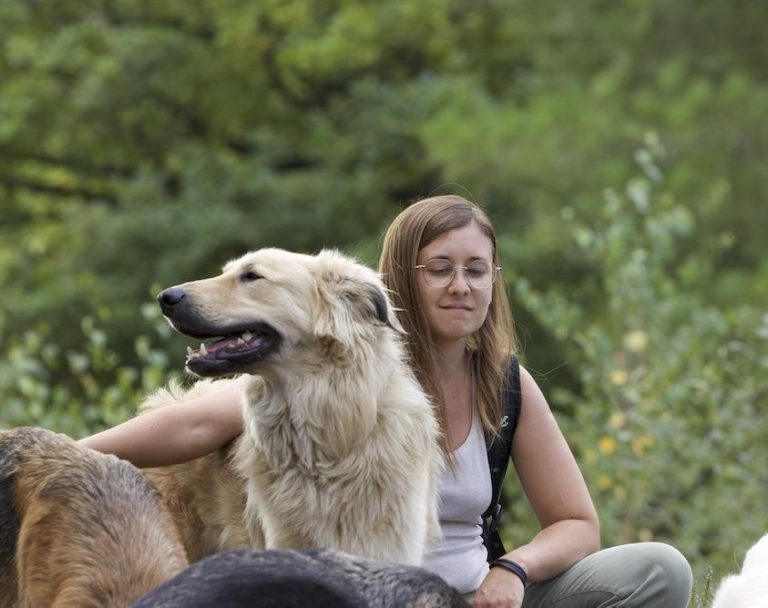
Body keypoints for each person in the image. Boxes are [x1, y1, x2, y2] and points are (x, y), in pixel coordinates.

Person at [82, 195, 693, 608]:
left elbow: (578, 524)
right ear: (400, 279)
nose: (461, 285)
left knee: (661, 570)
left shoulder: (507, 384)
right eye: (440, 269)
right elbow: (192, 423)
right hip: (377, 597)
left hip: (480, 595)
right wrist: (65, 460)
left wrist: (513, 571)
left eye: (478, 270)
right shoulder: (343, 374)